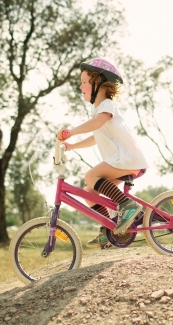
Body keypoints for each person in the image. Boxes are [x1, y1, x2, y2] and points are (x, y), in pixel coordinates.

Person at [56, 57, 148, 249]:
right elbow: (95, 137)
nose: (80, 87)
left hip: (127, 158)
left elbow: (96, 124)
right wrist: (72, 146)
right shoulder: (100, 112)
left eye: (83, 82)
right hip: (122, 160)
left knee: (90, 176)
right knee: (90, 193)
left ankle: (127, 206)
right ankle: (108, 230)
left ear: (97, 82)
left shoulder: (106, 105)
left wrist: (71, 132)